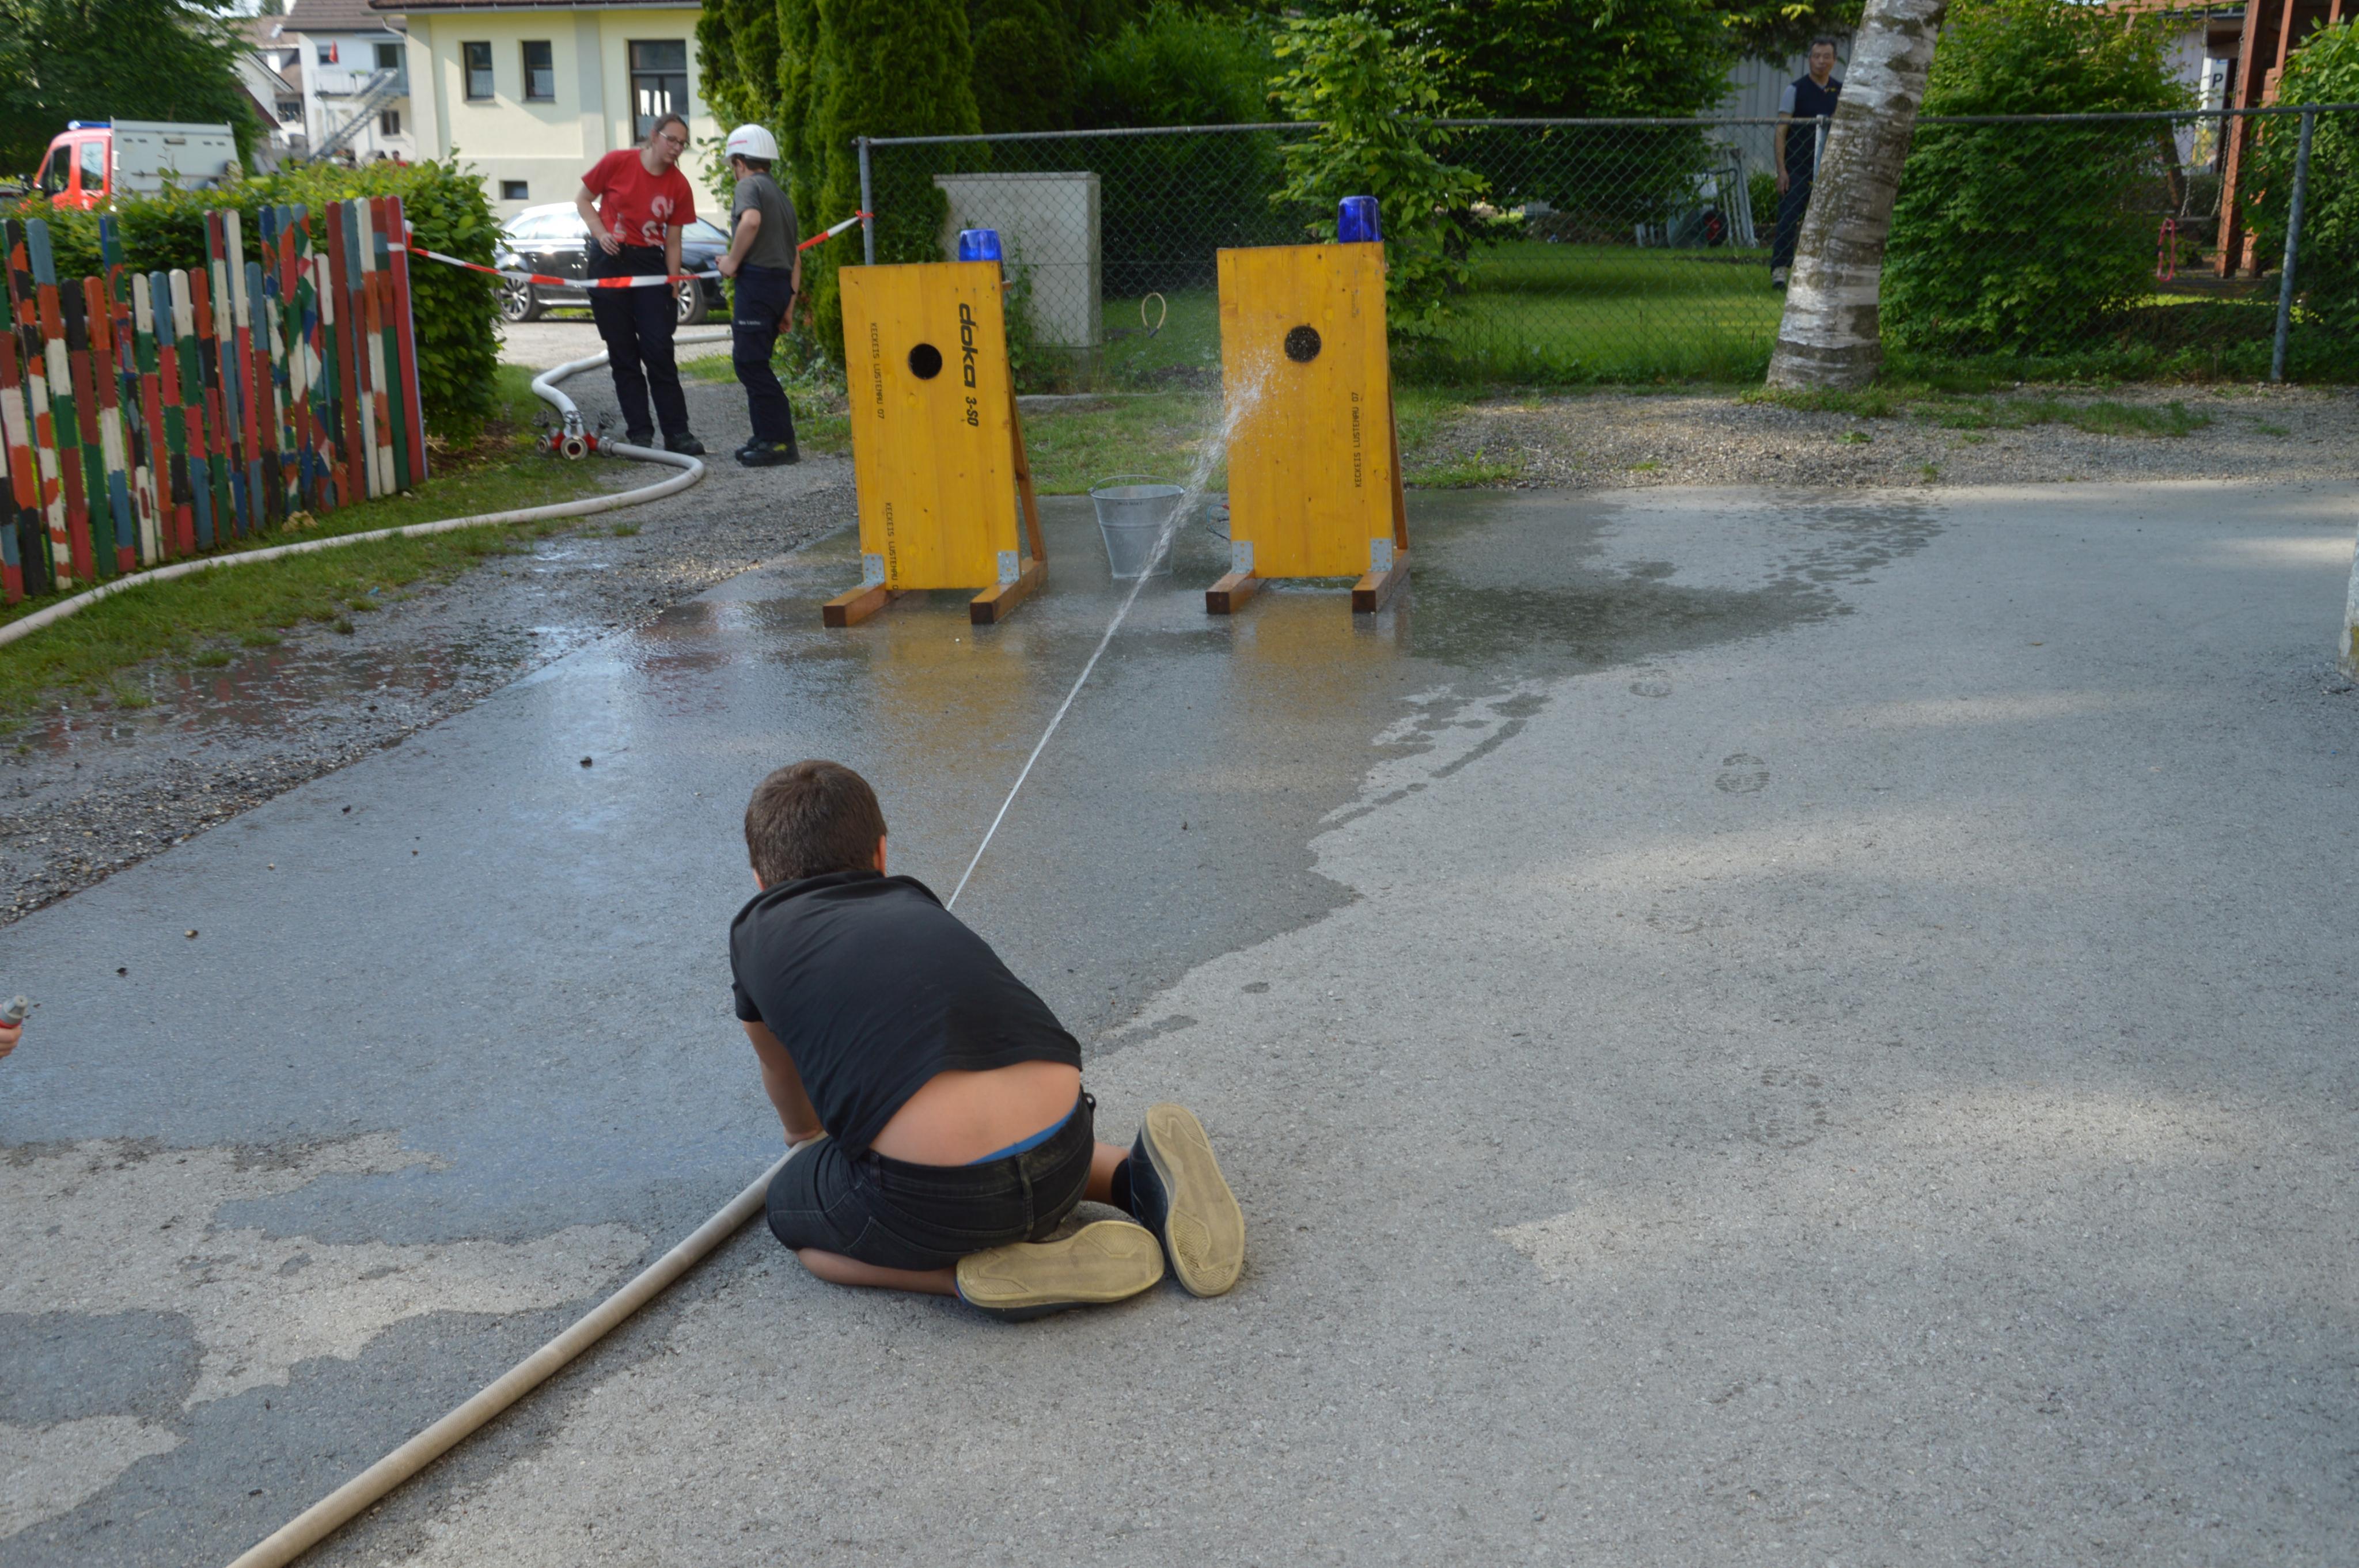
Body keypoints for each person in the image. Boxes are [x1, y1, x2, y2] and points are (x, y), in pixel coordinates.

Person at [733, 761, 1247, 1320]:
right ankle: (1135, 1175)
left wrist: (804, 1137)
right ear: (881, 853)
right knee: (1003, 1133)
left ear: (759, 881)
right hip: (1067, 1148)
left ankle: (969, 1278)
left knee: (794, 1216)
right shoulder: (912, 899)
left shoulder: (754, 932)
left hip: (938, 1204)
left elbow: (779, 1070)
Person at [574, 114, 705, 455]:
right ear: (654, 135)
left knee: (659, 349)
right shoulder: (617, 162)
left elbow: (673, 242)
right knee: (623, 352)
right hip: (610, 260)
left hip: (650, 265)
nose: (676, 148)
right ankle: (640, 433)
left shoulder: (679, 185)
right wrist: (600, 234)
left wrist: (673, 286)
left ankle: (678, 433)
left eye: (682, 144)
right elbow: (583, 199)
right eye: (671, 140)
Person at [715, 124, 802, 468]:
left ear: (739, 162)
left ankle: (780, 441)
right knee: (756, 361)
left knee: (750, 363)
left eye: (733, 166)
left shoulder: (749, 186)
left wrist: (731, 262)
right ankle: (765, 436)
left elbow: (750, 222)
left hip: (758, 283)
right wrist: (789, 306)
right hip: (779, 285)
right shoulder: (781, 197)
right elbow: (795, 257)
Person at [1772, 37, 1844, 288]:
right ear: (1809, 59)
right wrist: (1782, 170)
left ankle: (1822, 273)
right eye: (1816, 56)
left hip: (1829, 169)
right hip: (1797, 167)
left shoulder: (1841, 91)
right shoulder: (1795, 90)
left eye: (1826, 56)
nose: (1821, 61)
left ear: (1834, 61)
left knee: (1829, 221)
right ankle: (1780, 270)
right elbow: (1781, 132)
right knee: (1789, 217)